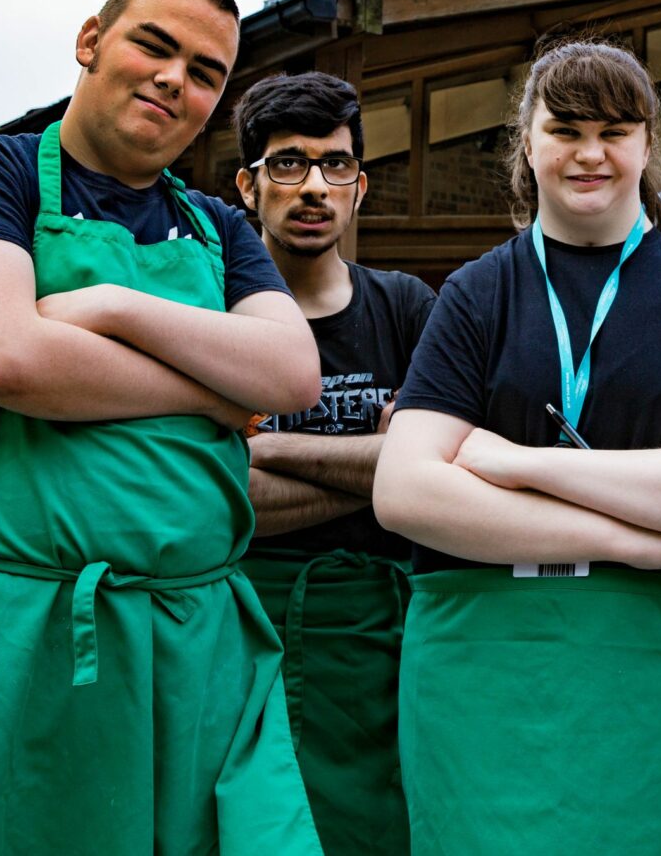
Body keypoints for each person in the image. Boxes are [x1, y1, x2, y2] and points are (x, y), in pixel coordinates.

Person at [0, 0, 323, 855]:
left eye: (203, 71)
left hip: (190, 648)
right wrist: (216, 395)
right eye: (154, 44)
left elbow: (292, 375)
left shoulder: (221, 232)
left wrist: (112, 311)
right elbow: (10, 358)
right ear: (90, 41)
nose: (172, 79)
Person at [373, 40, 661, 855]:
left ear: (645, 145)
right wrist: (634, 538)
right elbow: (406, 493)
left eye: (615, 131)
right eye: (566, 130)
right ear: (528, 142)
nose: (590, 153)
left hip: (654, 673)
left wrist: (519, 464)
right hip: (480, 677)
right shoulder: (477, 292)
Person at [231, 71, 436, 855]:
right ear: (249, 186)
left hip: (384, 639)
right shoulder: (214, 317)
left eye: (335, 164)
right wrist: (380, 468)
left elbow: (435, 467)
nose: (314, 186)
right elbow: (217, 492)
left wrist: (267, 446)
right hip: (247, 630)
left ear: (361, 187)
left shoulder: (409, 307)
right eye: (288, 164)